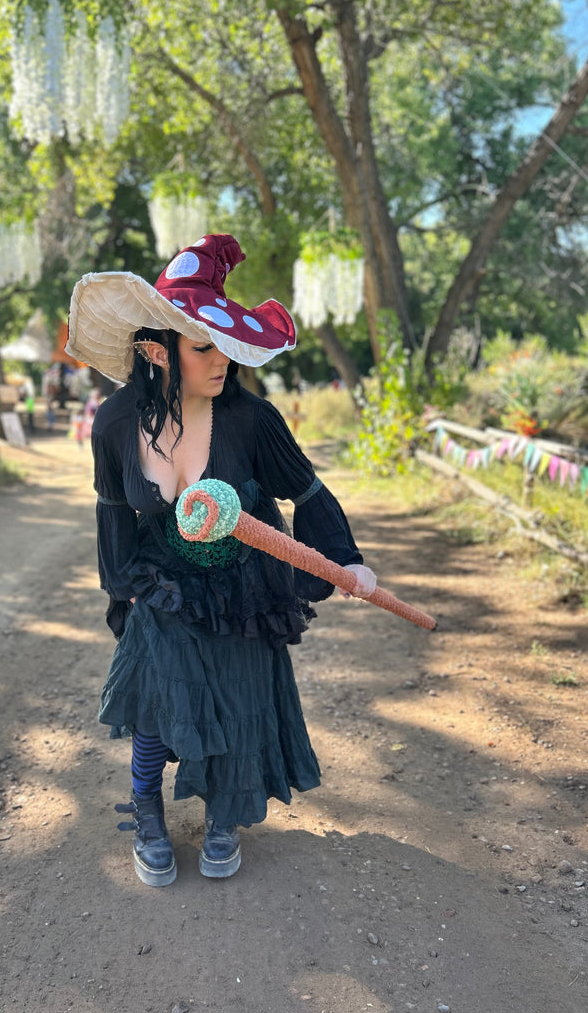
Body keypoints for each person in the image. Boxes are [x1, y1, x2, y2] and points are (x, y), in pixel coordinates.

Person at [67, 234, 377, 887]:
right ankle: (146, 807)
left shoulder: (252, 419)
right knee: (158, 703)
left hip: (245, 586)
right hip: (163, 584)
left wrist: (344, 560)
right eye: (203, 346)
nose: (222, 363)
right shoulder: (117, 422)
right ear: (156, 350)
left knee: (236, 704)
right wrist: (121, 592)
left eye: (226, 347)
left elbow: (308, 491)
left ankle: (223, 817)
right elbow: (112, 510)